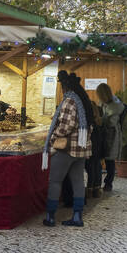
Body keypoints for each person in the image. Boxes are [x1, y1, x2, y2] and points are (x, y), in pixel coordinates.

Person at [42, 70, 92, 227]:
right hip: (81, 149)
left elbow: (66, 126)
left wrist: (53, 135)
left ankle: (50, 216)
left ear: (65, 86)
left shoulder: (70, 100)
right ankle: (77, 216)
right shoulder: (83, 101)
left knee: (55, 181)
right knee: (78, 182)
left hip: (67, 148)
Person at [96, 83, 124, 192]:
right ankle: (101, 183)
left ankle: (108, 183)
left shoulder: (115, 107)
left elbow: (111, 123)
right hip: (104, 134)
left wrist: (101, 120)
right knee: (104, 159)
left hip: (111, 135)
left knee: (109, 160)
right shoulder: (105, 104)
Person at [85, 102, 106, 198]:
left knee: (91, 169)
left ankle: (90, 189)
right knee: (97, 168)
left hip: (91, 148)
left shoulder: (90, 122)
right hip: (98, 148)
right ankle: (96, 188)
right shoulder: (99, 122)